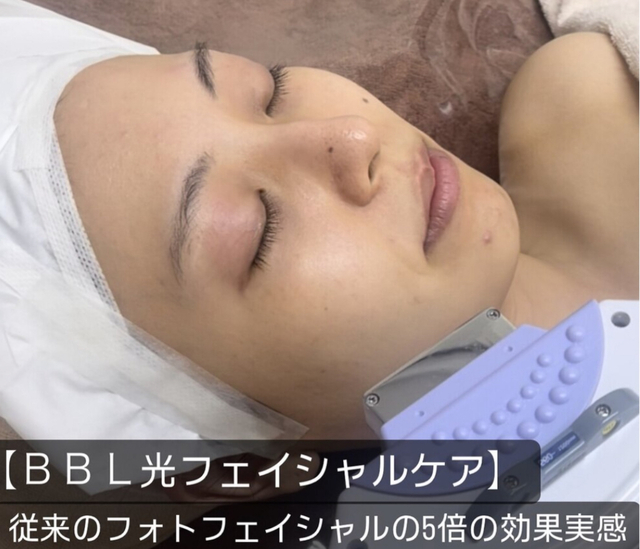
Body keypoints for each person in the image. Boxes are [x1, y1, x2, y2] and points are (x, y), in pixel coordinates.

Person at [2, 0, 638, 446]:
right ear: (246, 464)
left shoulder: (586, 93)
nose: (352, 135)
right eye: (260, 230)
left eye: (269, 92)